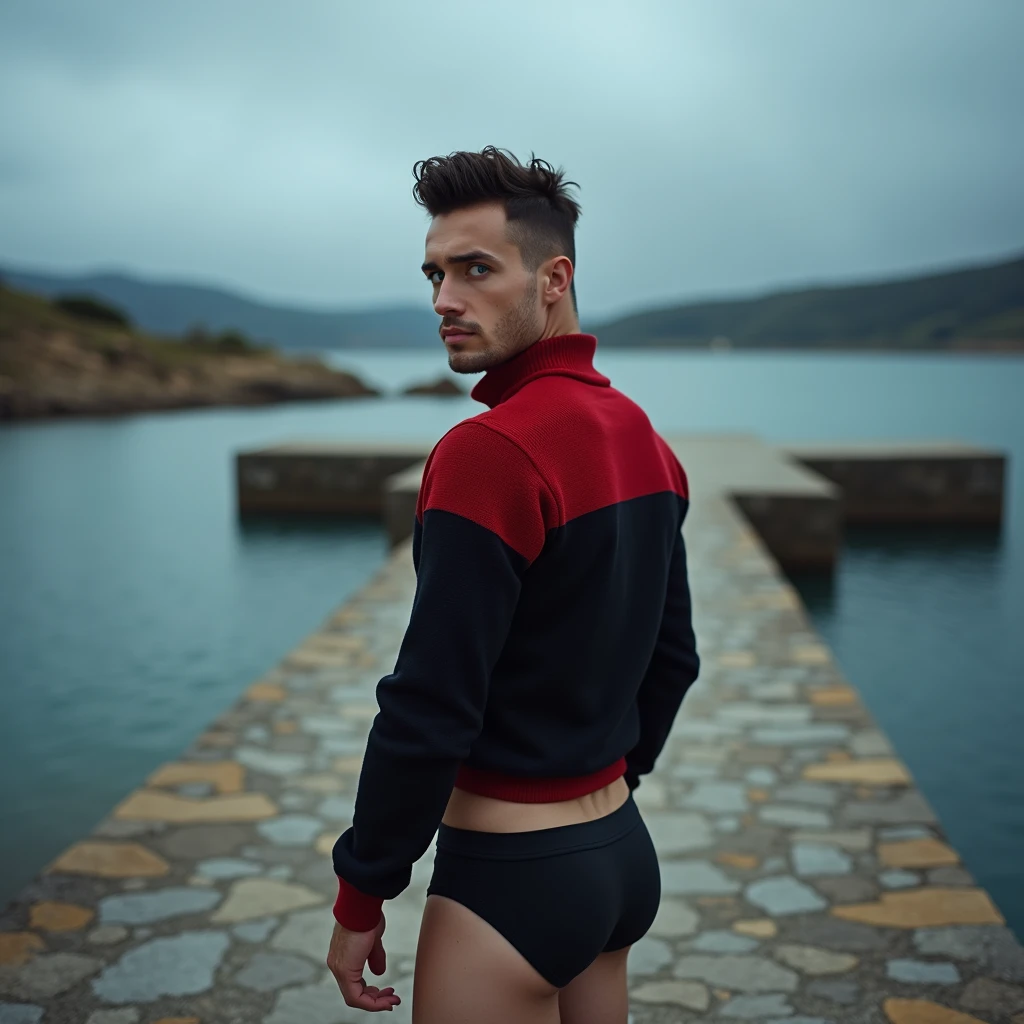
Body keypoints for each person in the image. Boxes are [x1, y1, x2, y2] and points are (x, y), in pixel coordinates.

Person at [327, 146, 700, 1023]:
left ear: (553, 277)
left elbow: (430, 704)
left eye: (476, 270)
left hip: (512, 880)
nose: (444, 301)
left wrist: (361, 893)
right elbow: (673, 659)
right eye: (434, 274)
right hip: (616, 854)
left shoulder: (489, 453)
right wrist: (609, 784)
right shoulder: (642, 435)